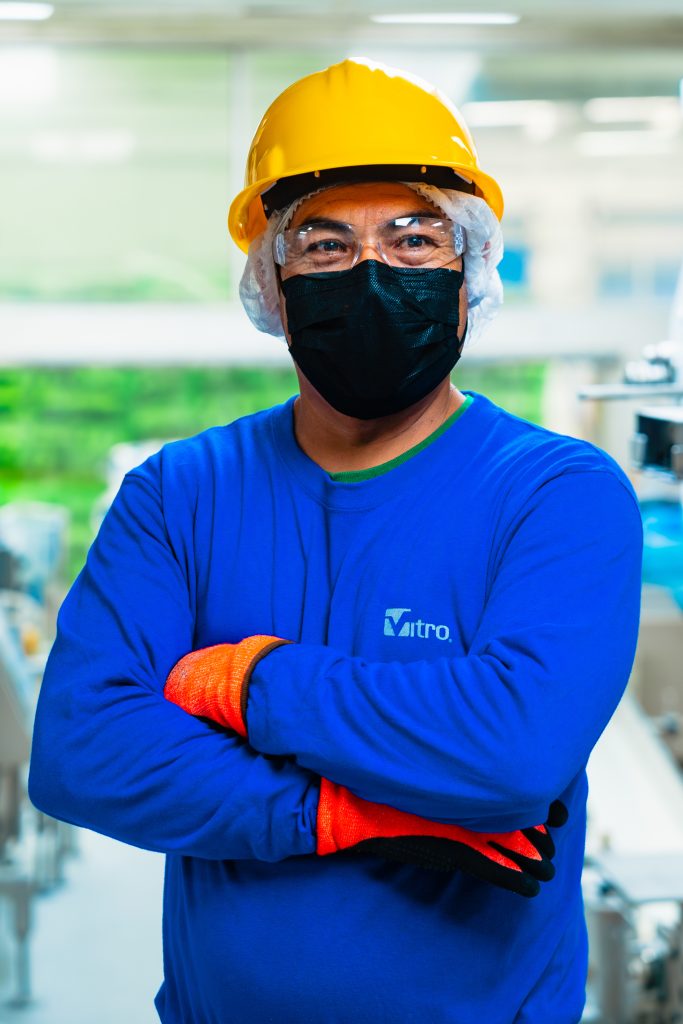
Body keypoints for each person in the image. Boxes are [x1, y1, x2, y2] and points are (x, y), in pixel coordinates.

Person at [28, 58, 643, 1023]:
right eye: (323, 246)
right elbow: (82, 750)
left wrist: (248, 680)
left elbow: (514, 748)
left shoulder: (554, 493)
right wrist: (345, 812)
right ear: (270, 288)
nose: (372, 272)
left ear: (468, 275)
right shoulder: (179, 493)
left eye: (414, 238)